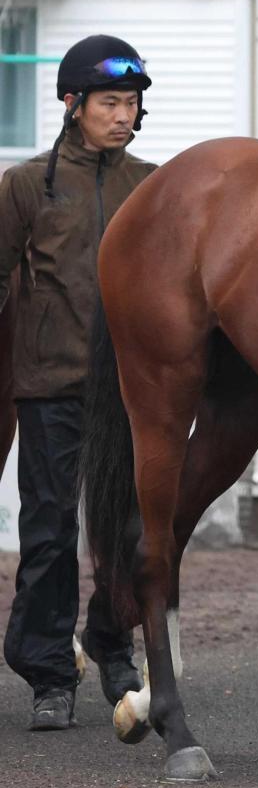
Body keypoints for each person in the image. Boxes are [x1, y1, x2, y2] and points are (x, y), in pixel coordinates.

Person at [0, 35, 155, 730]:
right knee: (49, 531)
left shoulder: (152, 186)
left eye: (131, 103)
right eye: (110, 102)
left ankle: (114, 649)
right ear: (74, 104)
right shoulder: (27, 185)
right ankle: (47, 674)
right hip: (48, 386)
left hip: (129, 389)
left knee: (124, 530)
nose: (122, 115)